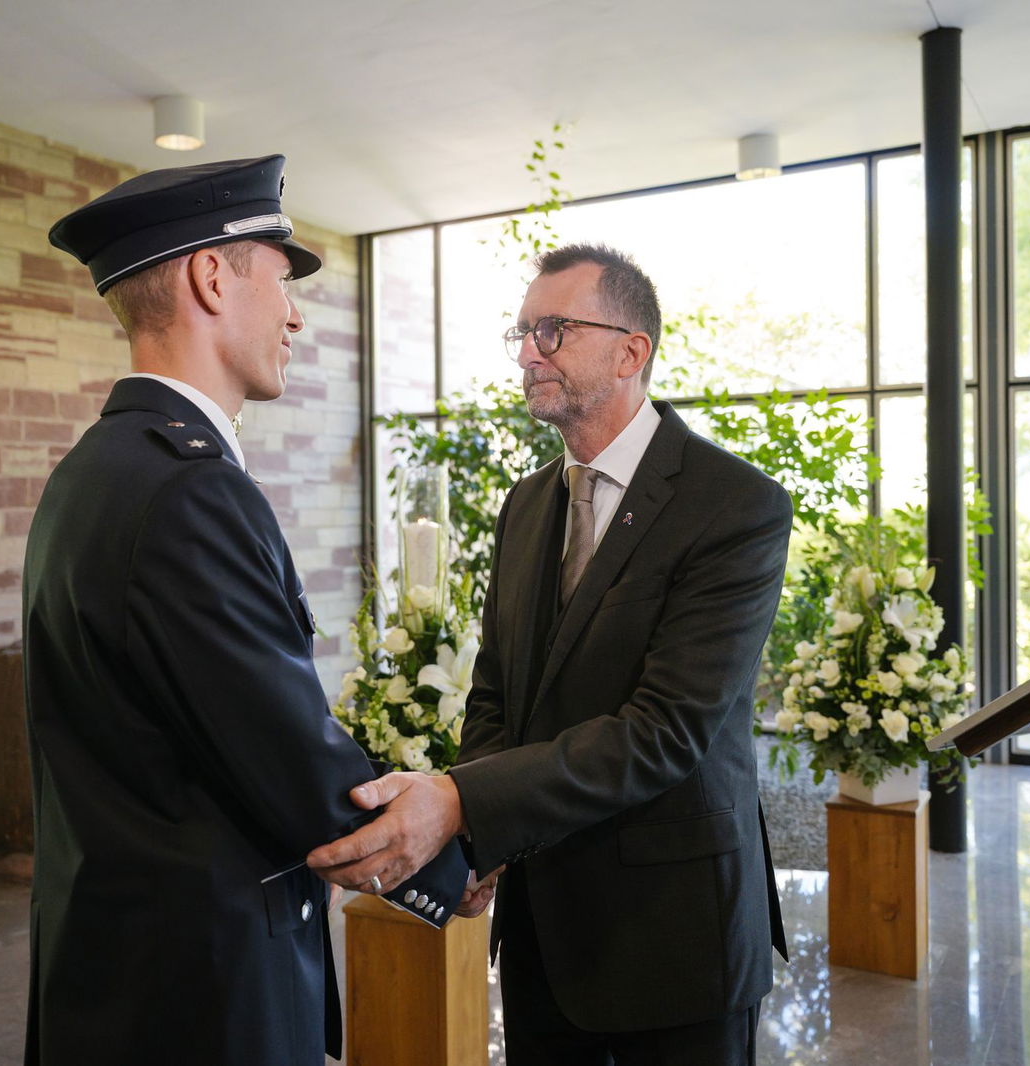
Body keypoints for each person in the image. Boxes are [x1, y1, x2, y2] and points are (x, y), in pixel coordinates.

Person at [26, 155, 463, 1066]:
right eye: (281, 279)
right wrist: (456, 856)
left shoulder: (93, 471)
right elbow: (287, 758)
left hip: (119, 973)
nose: (296, 314)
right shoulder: (189, 489)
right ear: (211, 278)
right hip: (201, 996)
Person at [310, 243, 792, 1064]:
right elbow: (498, 690)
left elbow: (666, 731)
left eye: (554, 330)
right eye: (523, 332)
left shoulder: (735, 505)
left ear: (630, 352)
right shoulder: (527, 503)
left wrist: (461, 803)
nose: (529, 353)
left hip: (675, 939)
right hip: (542, 937)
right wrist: (477, 846)